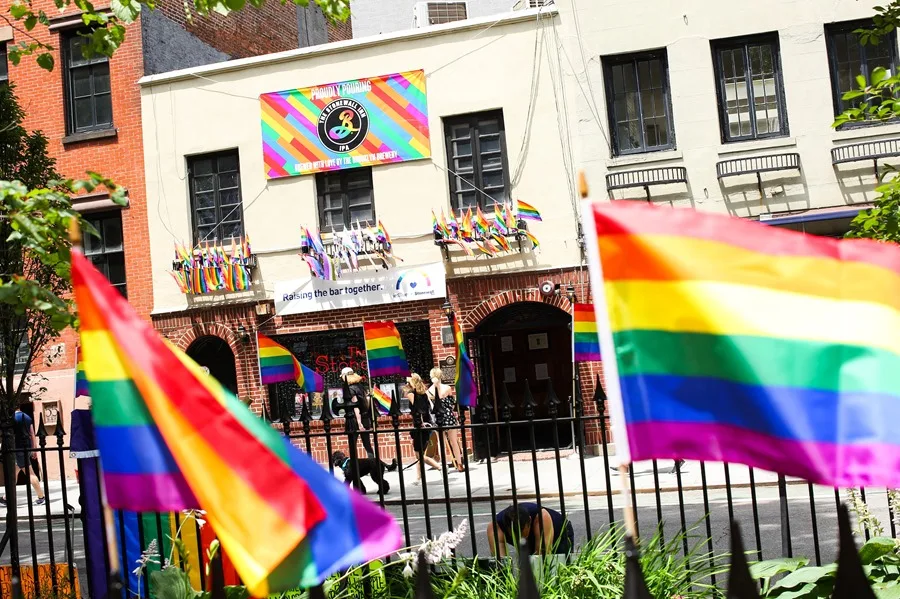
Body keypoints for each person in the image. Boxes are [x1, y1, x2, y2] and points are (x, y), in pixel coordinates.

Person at [1, 401, 46, 506]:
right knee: (14, 473)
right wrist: (34, 449)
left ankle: (41, 497)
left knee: (30, 473)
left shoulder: (12, 419)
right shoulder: (27, 417)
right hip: (27, 447)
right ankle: (7, 497)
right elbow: (32, 434)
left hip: (17, 448)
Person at [487, 503, 573, 557]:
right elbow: (500, 561)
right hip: (534, 536)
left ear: (530, 521)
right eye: (516, 535)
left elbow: (542, 557)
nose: (521, 538)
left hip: (560, 535)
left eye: (523, 534)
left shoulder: (541, 518)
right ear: (507, 528)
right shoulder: (495, 527)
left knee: (559, 565)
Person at [404, 373, 442, 486]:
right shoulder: (424, 394)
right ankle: (418, 478)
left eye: (407, 381)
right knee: (419, 454)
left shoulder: (411, 394)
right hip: (426, 424)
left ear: (412, 382)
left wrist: (420, 422)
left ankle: (439, 467)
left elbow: (417, 409)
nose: (406, 383)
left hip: (420, 426)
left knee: (418, 455)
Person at [428, 367, 465, 472]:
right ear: (441, 376)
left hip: (438, 418)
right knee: (454, 441)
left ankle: (444, 465)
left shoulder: (429, 391)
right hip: (448, 416)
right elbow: (452, 403)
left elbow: (431, 407)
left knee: (441, 443)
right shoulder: (447, 388)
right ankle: (459, 464)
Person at [341, 367, 375, 458]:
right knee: (367, 445)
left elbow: (355, 407)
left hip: (355, 420)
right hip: (365, 417)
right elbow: (366, 401)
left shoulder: (350, 389)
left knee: (352, 445)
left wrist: (359, 423)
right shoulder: (361, 386)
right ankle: (373, 464)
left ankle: (355, 466)